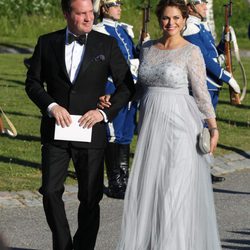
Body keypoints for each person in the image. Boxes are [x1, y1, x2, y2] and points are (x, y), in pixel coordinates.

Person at [25, 0, 135, 249]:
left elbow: (127, 85)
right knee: (51, 192)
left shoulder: (105, 43)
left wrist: (103, 115)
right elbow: (32, 83)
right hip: (56, 132)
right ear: (66, 14)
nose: (88, 18)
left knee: (90, 197)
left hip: (91, 132)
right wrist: (52, 107)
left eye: (90, 13)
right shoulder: (47, 42)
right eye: (81, 13)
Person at [115, 0, 222, 249]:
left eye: (176, 18)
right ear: (159, 19)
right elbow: (140, 88)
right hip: (151, 127)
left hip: (181, 127)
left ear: (184, 20)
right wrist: (115, 102)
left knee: (174, 190)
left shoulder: (191, 51)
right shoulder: (148, 48)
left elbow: (201, 93)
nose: (171, 23)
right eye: (166, 18)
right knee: (153, 189)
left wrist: (213, 127)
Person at [182, 0, 240, 183]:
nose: (206, 6)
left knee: (206, 128)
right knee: (199, 128)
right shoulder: (190, 28)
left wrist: (225, 40)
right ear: (191, 7)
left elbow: (214, 52)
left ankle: (203, 167)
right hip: (203, 84)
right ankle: (194, 169)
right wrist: (227, 77)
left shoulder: (200, 26)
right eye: (202, 4)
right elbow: (205, 59)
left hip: (212, 85)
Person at [92, 0, 139, 199]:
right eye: (114, 4)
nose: (119, 7)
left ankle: (124, 178)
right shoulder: (100, 30)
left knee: (126, 133)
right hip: (112, 87)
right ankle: (114, 182)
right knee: (112, 132)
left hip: (131, 88)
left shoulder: (124, 30)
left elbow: (132, 57)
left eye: (120, 3)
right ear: (103, 8)